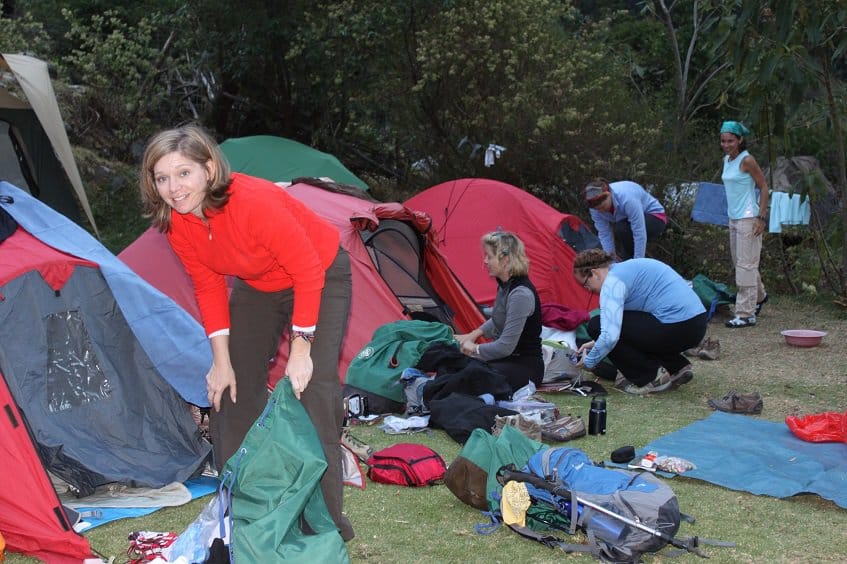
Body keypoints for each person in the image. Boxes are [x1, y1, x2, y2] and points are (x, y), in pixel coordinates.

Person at [138, 124, 354, 541]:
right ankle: (249, 507)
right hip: (259, 286)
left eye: (183, 173)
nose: (173, 187)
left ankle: (325, 525)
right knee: (229, 392)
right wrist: (221, 363)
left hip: (320, 273)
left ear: (208, 168)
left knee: (313, 390)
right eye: (161, 178)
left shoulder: (254, 201)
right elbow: (208, 285)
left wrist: (301, 347)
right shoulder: (178, 222)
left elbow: (308, 271)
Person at [573, 249, 707, 395]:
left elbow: (611, 336)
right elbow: (632, 328)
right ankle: (676, 367)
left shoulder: (612, 283)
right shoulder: (624, 270)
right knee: (610, 327)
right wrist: (596, 343)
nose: (588, 290)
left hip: (676, 325)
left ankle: (651, 378)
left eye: (586, 284)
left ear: (595, 273)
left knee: (595, 325)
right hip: (696, 323)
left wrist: (589, 362)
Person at [454, 231, 543, 392]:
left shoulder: (520, 294)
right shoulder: (505, 285)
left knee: (471, 375)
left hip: (525, 366)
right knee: (456, 367)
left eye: (489, 256)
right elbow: (498, 317)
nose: (485, 261)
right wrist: (472, 335)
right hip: (507, 360)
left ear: (506, 259)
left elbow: (505, 347)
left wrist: (474, 349)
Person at [719, 120, 769, 328]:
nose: (726, 144)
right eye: (723, 141)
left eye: (730, 140)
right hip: (733, 217)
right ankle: (760, 296)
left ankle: (746, 313)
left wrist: (761, 217)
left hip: (749, 217)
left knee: (745, 265)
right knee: (740, 262)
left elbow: (764, 187)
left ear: (740, 140)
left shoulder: (747, 160)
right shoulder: (726, 160)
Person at [584, 178, 667, 260]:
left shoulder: (627, 199)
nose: (601, 211)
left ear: (609, 195)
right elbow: (605, 234)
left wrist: (638, 262)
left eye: (603, 207)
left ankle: (636, 264)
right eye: (598, 209)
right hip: (627, 222)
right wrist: (610, 262)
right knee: (623, 231)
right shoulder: (594, 209)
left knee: (622, 228)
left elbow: (639, 231)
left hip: (655, 217)